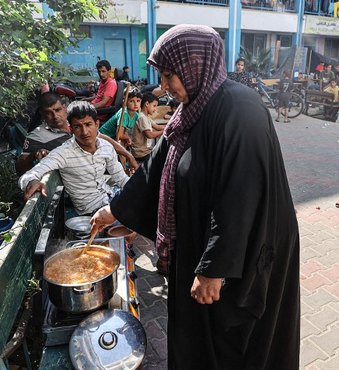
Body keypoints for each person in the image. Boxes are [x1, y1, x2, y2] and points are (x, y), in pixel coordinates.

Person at [90, 24, 300, 370]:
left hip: (243, 258)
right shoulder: (193, 109)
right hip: (204, 243)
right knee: (198, 339)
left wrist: (214, 270)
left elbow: (239, 197)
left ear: (196, 64)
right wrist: (114, 210)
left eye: (170, 75)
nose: (163, 86)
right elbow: (157, 166)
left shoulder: (239, 110)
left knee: (234, 346)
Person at [19, 101, 130, 216]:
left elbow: (120, 178)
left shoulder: (106, 147)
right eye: (78, 126)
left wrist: (139, 190)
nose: (84, 132)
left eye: (88, 124)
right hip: (92, 211)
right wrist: (32, 181)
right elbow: (27, 176)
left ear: (97, 124)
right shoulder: (64, 153)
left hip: (111, 196)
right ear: (71, 129)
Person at [15, 92, 136, 175]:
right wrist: (33, 155)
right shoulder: (38, 135)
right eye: (48, 113)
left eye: (57, 110)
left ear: (64, 107)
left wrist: (129, 156)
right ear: (42, 113)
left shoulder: (76, 124)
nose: (55, 116)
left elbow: (103, 138)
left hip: (98, 172)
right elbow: (19, 169)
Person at [132, 93, 165, 163]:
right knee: (163, 157)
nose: (155, 109)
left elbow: (157, 127)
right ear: (147, 104)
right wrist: (165, 132)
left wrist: (169, 127)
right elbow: (149, 135)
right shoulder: (141, 117)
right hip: (141, 153)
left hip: (146, 151)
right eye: (154, 106)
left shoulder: (146, 117)